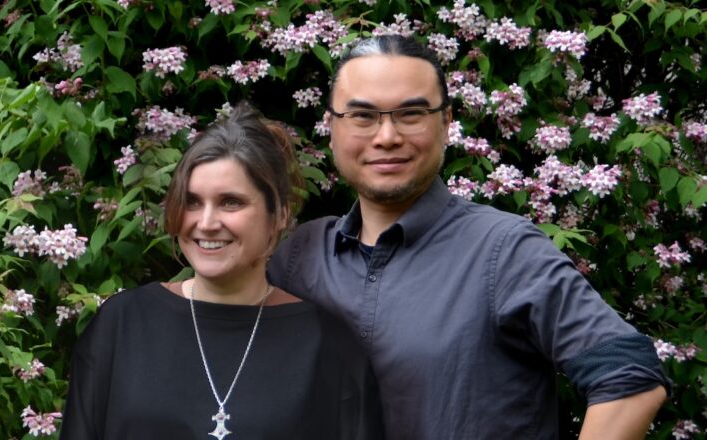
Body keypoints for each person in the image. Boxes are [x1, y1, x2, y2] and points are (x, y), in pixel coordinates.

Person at [268, 35, 669, 439]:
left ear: (446, 123)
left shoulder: (505, 251)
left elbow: (630, 377)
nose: (386, 136)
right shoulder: (301, 256)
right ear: (331, 127)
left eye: (411, 113)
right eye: (362, 116)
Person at [60, 102, 383, 439]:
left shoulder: (329, 348)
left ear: (280, 214)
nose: (206, 223)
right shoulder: (121, 326)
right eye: (192, 201)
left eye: (231, 202)